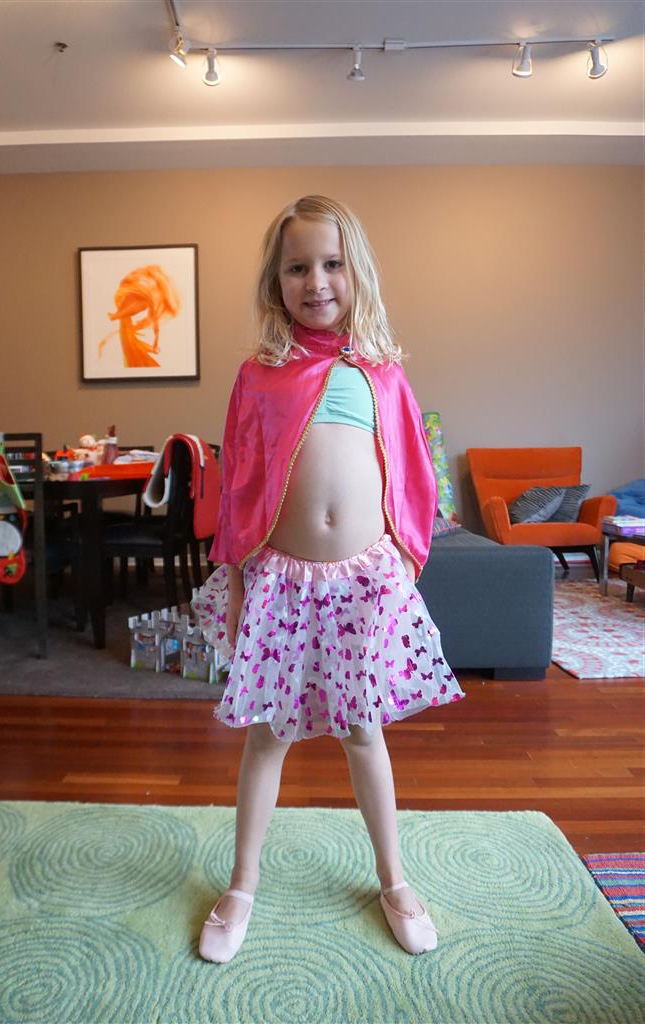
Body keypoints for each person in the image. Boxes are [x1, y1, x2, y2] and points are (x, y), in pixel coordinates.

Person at [192, 194, 464, 964]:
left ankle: (394, 880)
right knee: (268, 734)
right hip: (281, 580)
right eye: (297, 268)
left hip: (363, 582)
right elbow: (240, 477)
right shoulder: (259, 375)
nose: (315, 281)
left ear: (356, 273)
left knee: (362, 729)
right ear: (275, 281)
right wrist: (237, 573)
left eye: (332, 264)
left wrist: (404, 559)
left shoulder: (382, 373)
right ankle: (242, 884)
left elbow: (410, 471)